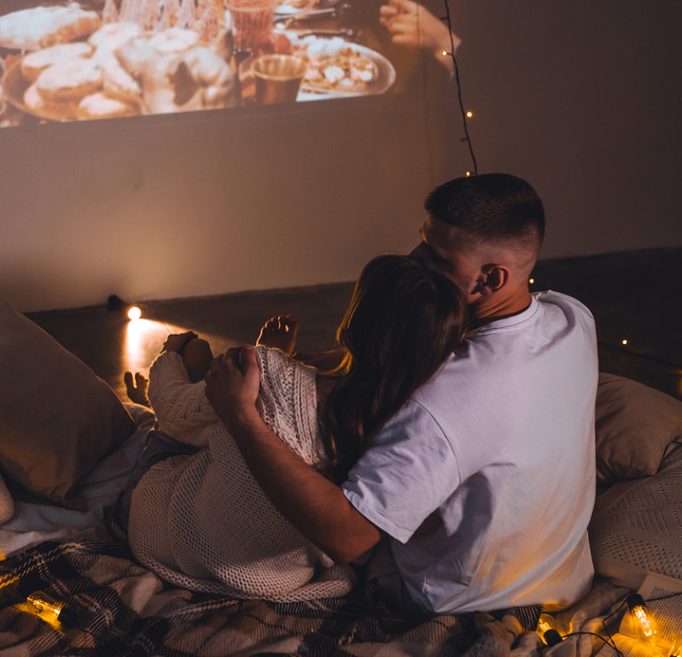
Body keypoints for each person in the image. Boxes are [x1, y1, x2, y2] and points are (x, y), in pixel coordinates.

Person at [204, 173, 599, 616]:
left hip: (460, 601)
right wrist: (350, 355)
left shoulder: (441, 405)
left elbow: (349, 537)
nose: (413, 258)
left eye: (434, 256)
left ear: (489, 279)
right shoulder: (571, 318)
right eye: (421, 241)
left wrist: (240, 416)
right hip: (562, 574)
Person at [121, 255, 468, 600]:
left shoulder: (271, 373)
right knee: (222, 419)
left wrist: (169, 354)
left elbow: (175, 412)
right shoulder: (410, 420)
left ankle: (153, 392)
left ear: (359, 315)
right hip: (280, 578)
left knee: (194, 366)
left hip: (186, 545)